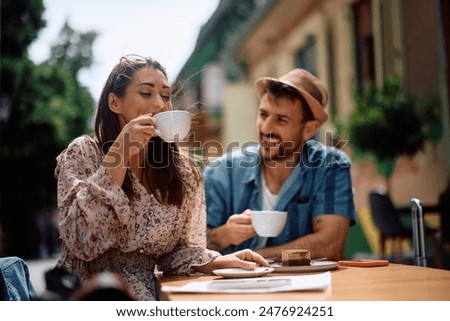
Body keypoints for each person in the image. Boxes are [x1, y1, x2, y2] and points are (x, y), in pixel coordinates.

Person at [54, 55, 268, 301]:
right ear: (115, 102)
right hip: (86, 296)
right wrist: (120, 153)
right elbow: (82, 242)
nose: (160, 104)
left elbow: (178, 253)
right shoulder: (82, 153)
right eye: (146, 93)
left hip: (149, 297)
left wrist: (216, 261)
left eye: (166, 96)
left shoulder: (182, 172)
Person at [204, 68, 356, 261]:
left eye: (281, 120)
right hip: (234, 290)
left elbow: (329, 246)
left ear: (308, 129)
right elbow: (192, 247)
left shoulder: (330, 166)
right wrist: (225, 234)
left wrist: (253, 257)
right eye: (263, 114)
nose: (266, 128)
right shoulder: (220, 173)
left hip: (308, 288)